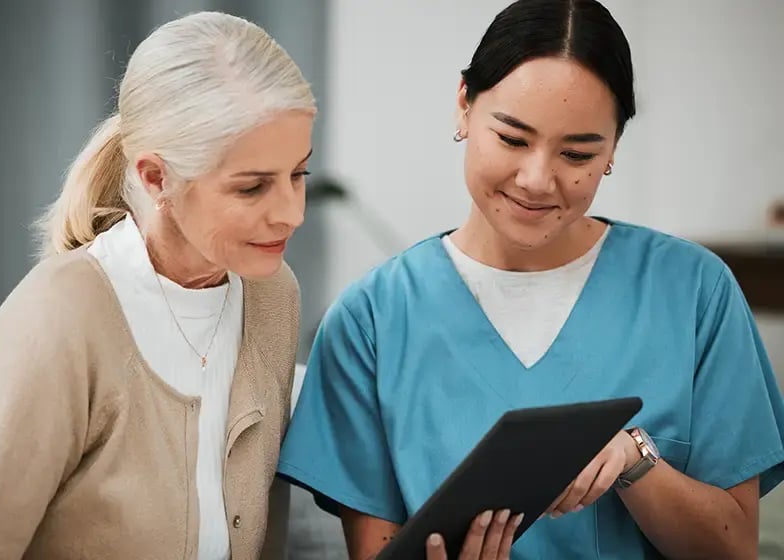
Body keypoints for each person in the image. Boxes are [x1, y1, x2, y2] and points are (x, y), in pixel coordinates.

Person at [277, 0, 784, 558]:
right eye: (513, 140)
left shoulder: (694, 294)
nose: (537, 180)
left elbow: (736, 549)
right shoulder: (370, 322)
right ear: (464, 106)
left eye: (576, 153)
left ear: (613, 147)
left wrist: (634, 460)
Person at [0, 11, 314, 560]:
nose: (291, 214)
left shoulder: (271, 293)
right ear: (155, 176)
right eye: (252, 187)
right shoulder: (57, 321)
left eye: (298, 174)